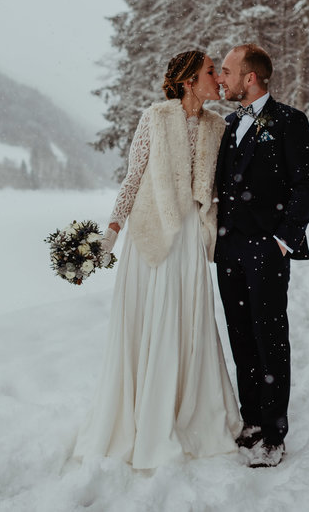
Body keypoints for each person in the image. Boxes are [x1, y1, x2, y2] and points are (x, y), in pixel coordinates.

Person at [73, 50, 242, 469]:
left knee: (187, 324)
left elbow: (220, 188)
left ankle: (186, 412)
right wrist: (109, 233)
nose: (218, 79)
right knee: (152, 322)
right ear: (188, 81)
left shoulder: (217, 126)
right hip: (151, 235)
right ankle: (144, 419)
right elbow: (132, 179)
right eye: (209, 73)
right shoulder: (155, 117)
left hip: (190, 237)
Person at [214, 43, 309, 468]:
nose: (221, 78)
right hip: (229, 246)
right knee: (240, 335)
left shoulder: (291, 122)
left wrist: (283, 239)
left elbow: (306, 186)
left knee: (270, 339)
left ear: (250, 77)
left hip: (266, 246)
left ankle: (274, 434)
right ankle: (253, 420)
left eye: (226, 71)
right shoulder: (227, 123)